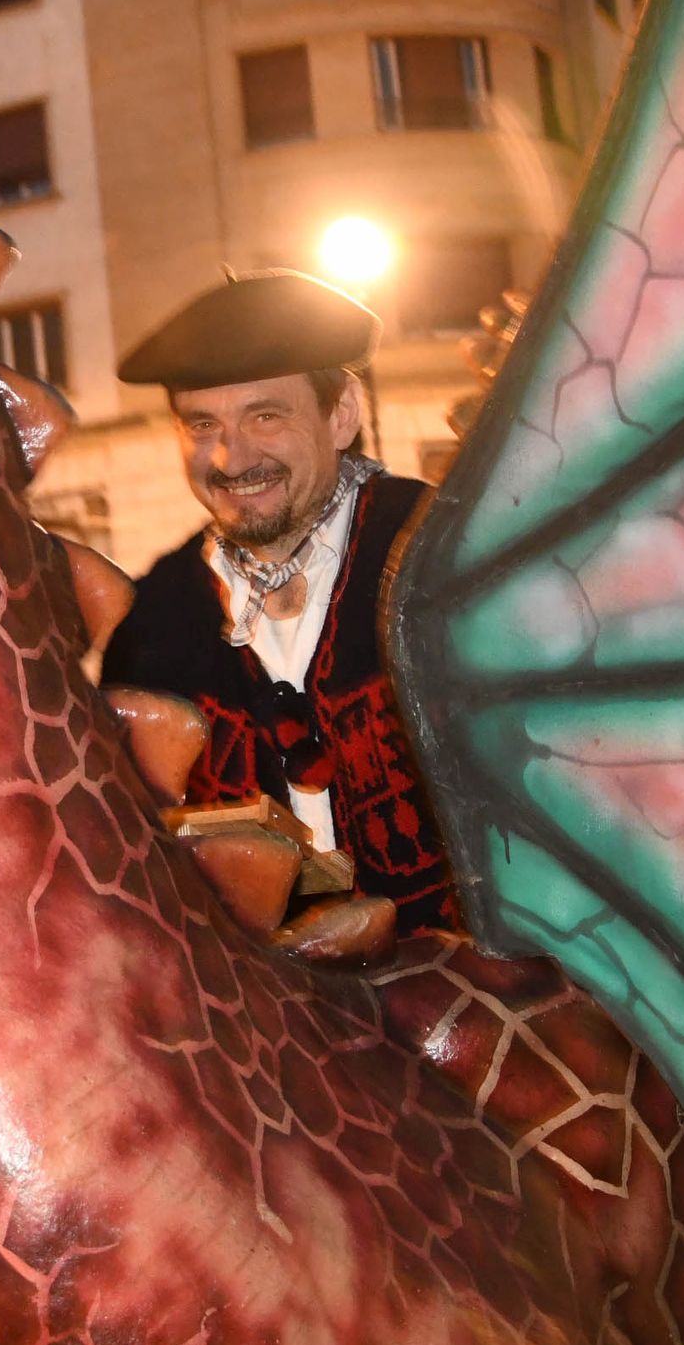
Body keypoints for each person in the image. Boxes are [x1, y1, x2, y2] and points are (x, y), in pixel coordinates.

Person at [96, 270, 455, 929]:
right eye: (202, 423)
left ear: (341, 413)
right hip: (262, 1018)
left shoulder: (445, 561)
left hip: (471, 992)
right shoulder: (152, 628)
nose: (231, 456)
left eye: (266, 416)